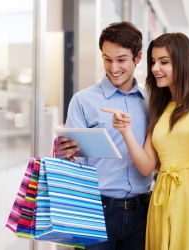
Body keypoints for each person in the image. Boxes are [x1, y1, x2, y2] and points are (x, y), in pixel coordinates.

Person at [54, 21, 153, 250]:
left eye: (121, 60)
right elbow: (74, 162)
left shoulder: (151, 101)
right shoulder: (83, 100)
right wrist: (67, 155)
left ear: (137, 58)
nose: (113, 67)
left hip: (143, 213)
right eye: (107, 59)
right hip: (97, 211)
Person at [102, 32, 189, 250]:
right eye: (153, 61)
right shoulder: (160, 108)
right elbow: (145, 166)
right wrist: (125, 130)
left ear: (182, 63)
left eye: (164, 62)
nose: (155, 69)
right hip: (162, 198)